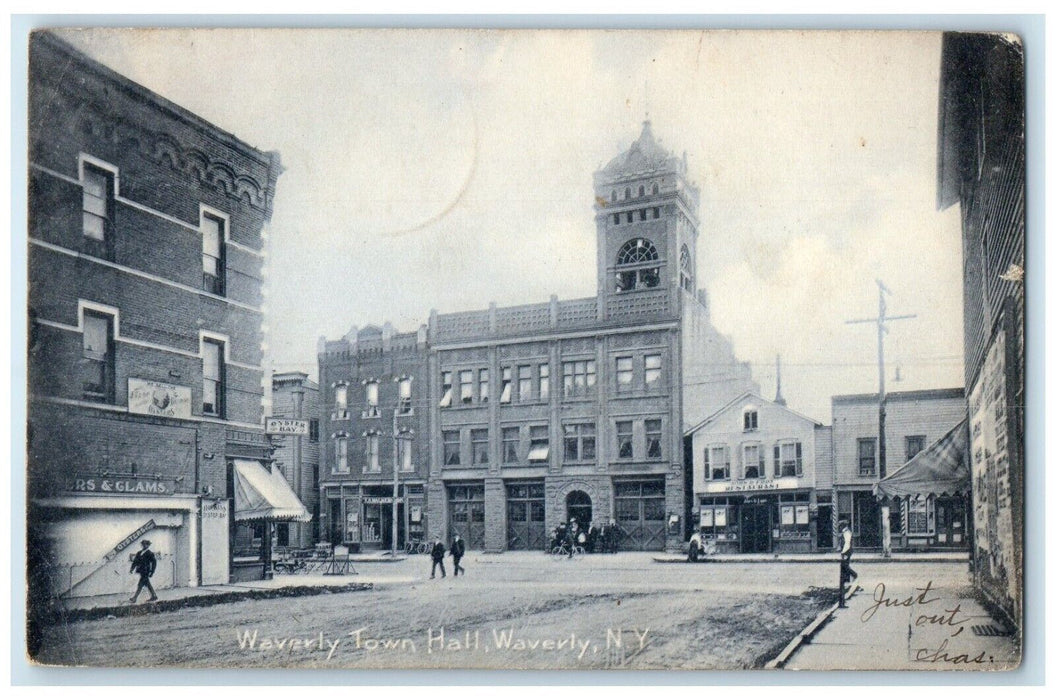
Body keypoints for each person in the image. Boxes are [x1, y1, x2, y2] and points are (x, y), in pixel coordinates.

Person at [838, 521, 858, 607]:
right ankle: (842, 600)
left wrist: (843, 553)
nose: (838, 527)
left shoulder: (846, 533)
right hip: (846, 553)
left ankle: (854, 575)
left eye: (840, 526)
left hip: (846, 554)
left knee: (844, 569)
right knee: (844, 572)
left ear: (843, 526)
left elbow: (847, 544)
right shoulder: (845, 532)